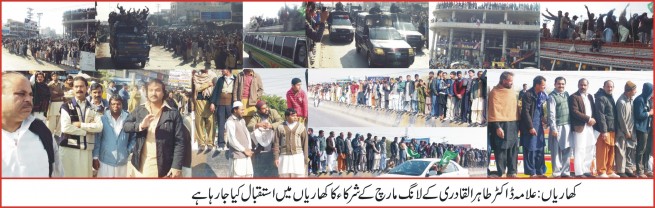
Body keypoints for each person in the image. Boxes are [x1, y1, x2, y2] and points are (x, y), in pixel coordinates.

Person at [2, 72, 63, 177]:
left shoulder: (42, 131)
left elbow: (57, 173)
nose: (28, 99)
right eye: (21, 94)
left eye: (31, 94)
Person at [124, 79, 186, 178]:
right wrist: (141, 126)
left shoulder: (173, 113)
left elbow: (180, 142)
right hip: (141, 165)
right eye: (151, 90)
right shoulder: (140, 110)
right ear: (146, 92)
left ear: (163, 93)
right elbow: (126, 126)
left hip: (163, 165)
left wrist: (176, 166)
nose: (154, 93)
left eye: (157, 90)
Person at [60, 76, 103, 177]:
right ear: (73, 89)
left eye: (81, 86)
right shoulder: (66, 106)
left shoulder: (93, 108)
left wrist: (80, 125)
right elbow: (65, 128)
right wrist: (86, 131)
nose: (79, 89)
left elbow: (99, 127)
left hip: (86, 150)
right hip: (69, 148)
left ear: (87, 88)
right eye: (76, 87)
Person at [92, 97, 135, 177]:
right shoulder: (103, 119)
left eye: (118, 104)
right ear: (109, 105)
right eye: (113, 104)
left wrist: (127, 150)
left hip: (122, 161)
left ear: (122, 105)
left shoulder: (128, 119)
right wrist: (95, 157)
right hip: (105, 160)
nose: (116, 106)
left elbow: (133, 137)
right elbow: (97, 139)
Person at [488, 71, 519, 177]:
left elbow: (515, 108)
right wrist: (497, 127)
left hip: (513, 123)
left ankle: (512, 172)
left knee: (513, 149)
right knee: (501, 150)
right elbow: (493, 110)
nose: (511, 83)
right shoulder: (494, 92)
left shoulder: (511, 91)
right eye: (510, 81)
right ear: (504, 80)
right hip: (500, 124)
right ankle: (502, 172)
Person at [519, 76, 548, 178]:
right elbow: (525, 112)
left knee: (540, 148)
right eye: (543, 85)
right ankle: (532, 172)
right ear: (537, 85)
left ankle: (540, 171)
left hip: (539, 125)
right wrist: (531, 127)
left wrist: (544, 119)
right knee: (531, 149)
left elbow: (540, 110)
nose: (544, 87)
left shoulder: (541, 95)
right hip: (529, 126)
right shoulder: (528, 95)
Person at [569, 78, 596, 178]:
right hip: (579, 127)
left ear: (588, 86)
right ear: (578, 85)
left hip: (589, 127)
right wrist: (588, 119)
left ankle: (586, 170)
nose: (583, 87)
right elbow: (574, 112)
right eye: (581, 85)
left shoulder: (590, 96)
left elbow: (593, 110)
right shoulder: (573, 97)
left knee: (590, 147)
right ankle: (579, 172)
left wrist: (593, 120)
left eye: (585, 85)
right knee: (579, 149)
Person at [547, 77, 573, 178]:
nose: (561, 86)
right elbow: (551, 114)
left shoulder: (566, 94)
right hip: (557, 127)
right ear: (555, 84)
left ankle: (565, 172)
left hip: (568, 126)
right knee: (556, 151)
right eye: (559, 84)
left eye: (562, 84)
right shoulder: (552, 97)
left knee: (567, 150)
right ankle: (556, 173)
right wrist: (553, 128)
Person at [593, 80, 619, 178]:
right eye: (608, 86)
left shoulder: (610, 97)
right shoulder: (600, 98)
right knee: (602, 151)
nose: (610, 88)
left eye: (611, 87)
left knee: (611, 151)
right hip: (603, 130)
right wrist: (604, 131)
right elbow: (601, 115)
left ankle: (609, 170)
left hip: (612, 129)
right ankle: (601, 171)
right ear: (603, 87)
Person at [273, 108, 308, 177]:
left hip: (298, 157)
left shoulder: (301, 127)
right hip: (284, 157)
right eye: (293, 116)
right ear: (286, 117)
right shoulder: (280, 127)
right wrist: (276, 158)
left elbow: (305, 144)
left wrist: (305, 159)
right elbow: (276, 144)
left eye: (296, 115)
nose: (295, 117)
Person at [224, 101, 254, 177]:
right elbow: (232, 140)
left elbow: (247, 134)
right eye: (241, 110)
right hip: (237, 156)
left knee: (248, 176)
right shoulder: (230, 122)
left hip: (246, 155)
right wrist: (244, 150)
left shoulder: (242, 120)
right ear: (235, 110)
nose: (243, 112)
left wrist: (249, 148)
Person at [615, 81, 638, 178]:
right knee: (621, 150)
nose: (636, 92)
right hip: (623, 131)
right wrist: (626, 131)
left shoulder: (630, 100)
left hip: (631, 130)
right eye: (634, 90)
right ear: (629, 91)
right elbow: (621, 119)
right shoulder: (621, 102)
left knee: (630, 150)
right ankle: (620, 171)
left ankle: (628, 169)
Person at [210, 69, 236, 150]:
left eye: (223, 69)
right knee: (221, 124)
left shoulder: (235, 78)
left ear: (228, 70)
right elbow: (216, 91)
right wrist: (212, 103)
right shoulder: (220, 79)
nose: (221, 70)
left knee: (231, 124)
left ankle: (231, 144)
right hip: (220, 104)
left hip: (231, 105)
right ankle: (221, 144)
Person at [193, 70, 217, 151]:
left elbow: (216, 88)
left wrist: (214, 102)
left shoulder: (213, 75)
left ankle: (210, 142)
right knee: (199, 123)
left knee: (210, 122)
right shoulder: (196, 75)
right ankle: (201, 143)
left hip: (210, 101)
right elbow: (197, 88)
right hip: (199, 101)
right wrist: (208, 84)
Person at [634, 83, 653, 178]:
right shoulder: (639, 100)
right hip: (641, 128)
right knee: (640, 150)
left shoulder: (648, 100)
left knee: (646, 150)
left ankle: (645, 168)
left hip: (647, 128)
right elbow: (639, 115)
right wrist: (649, 113)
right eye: (652, 91)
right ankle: (639, 170)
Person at [47, 72, 65, 138]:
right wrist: (58, 94)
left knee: (60, 122)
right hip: (53, 104)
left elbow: (62, 93)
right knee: (52, 122)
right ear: (52, 77)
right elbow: (51, 95)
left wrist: (57, 93)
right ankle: (49, 136)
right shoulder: (49, 85)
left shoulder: (62, 84)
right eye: (54, 76)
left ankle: (57, 137)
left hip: (61, 103)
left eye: (56, 76)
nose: (55, 77)